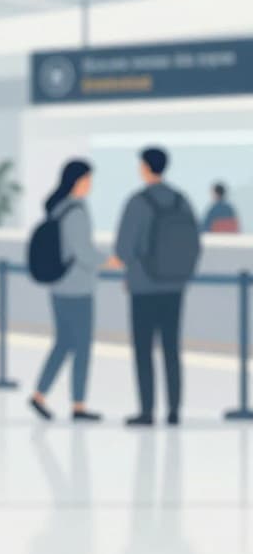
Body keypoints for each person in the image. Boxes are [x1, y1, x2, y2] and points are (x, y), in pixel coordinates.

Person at [110, 147, 201, 427]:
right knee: (172, 349)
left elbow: (123, 250)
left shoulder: (137, 202)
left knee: (143, 350)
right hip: (174, 287)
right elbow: (195, 244)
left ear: (145, 168)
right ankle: (174, 410)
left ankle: (147, 411)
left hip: (143, 287)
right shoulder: (181, 201)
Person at [29, 160, 106, 422]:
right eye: (87, 180)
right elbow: (82, 251)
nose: (90, 186)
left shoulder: (58, 209)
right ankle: (79, 405)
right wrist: (107, 260)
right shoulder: (76, 212)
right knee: (81, 346)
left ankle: (39, 394)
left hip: (59, 287)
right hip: (78, 288)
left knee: (63, 343)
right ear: (76, 181)